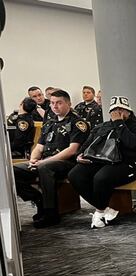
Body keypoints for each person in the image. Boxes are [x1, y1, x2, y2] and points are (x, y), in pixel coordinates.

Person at [13, 90, 89, 227]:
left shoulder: (77, 123)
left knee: (45, 168)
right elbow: (39, 147)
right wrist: (32, 160)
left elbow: (72, 150)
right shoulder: (50, 123)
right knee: (13, 171)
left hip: (68, 164)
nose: (55, 106)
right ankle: (38, 200)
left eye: (59, 103)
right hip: (45, 162)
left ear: (69, 103)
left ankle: (51, 214)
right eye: (53, 103)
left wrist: (44, 161)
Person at [68, 96, 136, 229]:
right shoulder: (104, 126)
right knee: (75, 174)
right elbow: (88, 144)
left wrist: (119, 123)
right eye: (115, 110)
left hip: (129, 163)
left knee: (101, 178)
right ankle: (105, 209)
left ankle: (99, 212)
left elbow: (133, 144)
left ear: (129, 111)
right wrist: (79, 155)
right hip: (103, 161)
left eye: (122, 110)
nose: (118, 112)